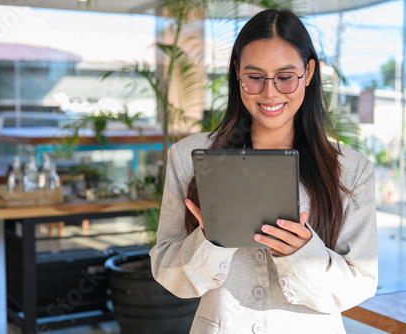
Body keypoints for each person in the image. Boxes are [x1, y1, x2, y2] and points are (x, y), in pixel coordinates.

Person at [150, 8, 378, 334]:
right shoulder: (187, 157)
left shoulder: (351, 170)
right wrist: (211, 242)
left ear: (309, 72)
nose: (270, 93)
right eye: (254, 77)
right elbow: (168, 275)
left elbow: (361, 285)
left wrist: (303, 254)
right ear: (237, 73)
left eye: (285, 76)